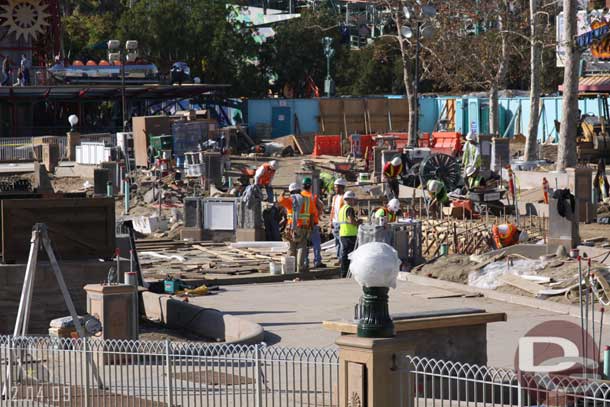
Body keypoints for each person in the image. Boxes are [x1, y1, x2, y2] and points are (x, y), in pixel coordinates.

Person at [278, 182, 314, 273]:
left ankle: (290, 269)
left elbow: (280, 200)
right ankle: (300, 269)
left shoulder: (290, 200)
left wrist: (283, 192)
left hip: (291, 228)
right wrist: (311, 227)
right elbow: (312, 215)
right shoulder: (308, 200)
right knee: (302, 247)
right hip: (304, 227)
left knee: (291, 248)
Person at [301, 177, 326, 268]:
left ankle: (305, 262)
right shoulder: (312, 196)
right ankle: (317, 261)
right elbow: (321, 205)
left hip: (302, 225)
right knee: (316, 244)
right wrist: (318, 213)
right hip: (313, 224)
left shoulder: (300, 195)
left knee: (304, 245)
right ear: (310, 186)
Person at [339, 190, 360, 278]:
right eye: (353, 199)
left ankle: (343, 272)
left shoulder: (342, 208)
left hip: (344, 233)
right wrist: (358, 222)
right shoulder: (349, 209)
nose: (354, 201)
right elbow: (351, 221)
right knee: (350, 254)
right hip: (350, 234)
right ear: (350, 199)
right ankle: (348, 272)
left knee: (345, 254)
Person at [330, 178, 347, 260]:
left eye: (336, 187)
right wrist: (331, 221)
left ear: (342, 187)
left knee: (341, 242)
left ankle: (341, 258)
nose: (335, 189)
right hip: (335, 222)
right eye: (335, 187)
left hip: (341, 223)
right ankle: (338, 257)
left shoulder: (345, 198)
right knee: (336, 242)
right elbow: (332, 210)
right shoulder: (334, 197)